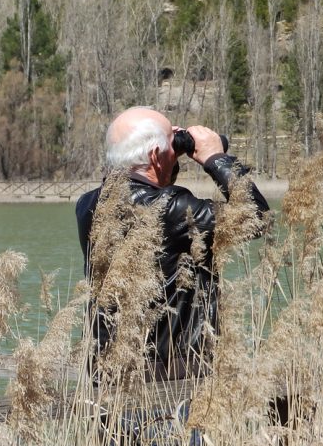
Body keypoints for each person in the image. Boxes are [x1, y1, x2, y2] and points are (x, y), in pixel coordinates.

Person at [76, 106, 269, 381]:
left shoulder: (87, 205)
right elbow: (256, 216)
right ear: (155, 155)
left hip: (109, 369)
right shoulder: (173, 209)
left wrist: (164, 153)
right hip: (174, 374)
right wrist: (216, 158)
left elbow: (137, 185)